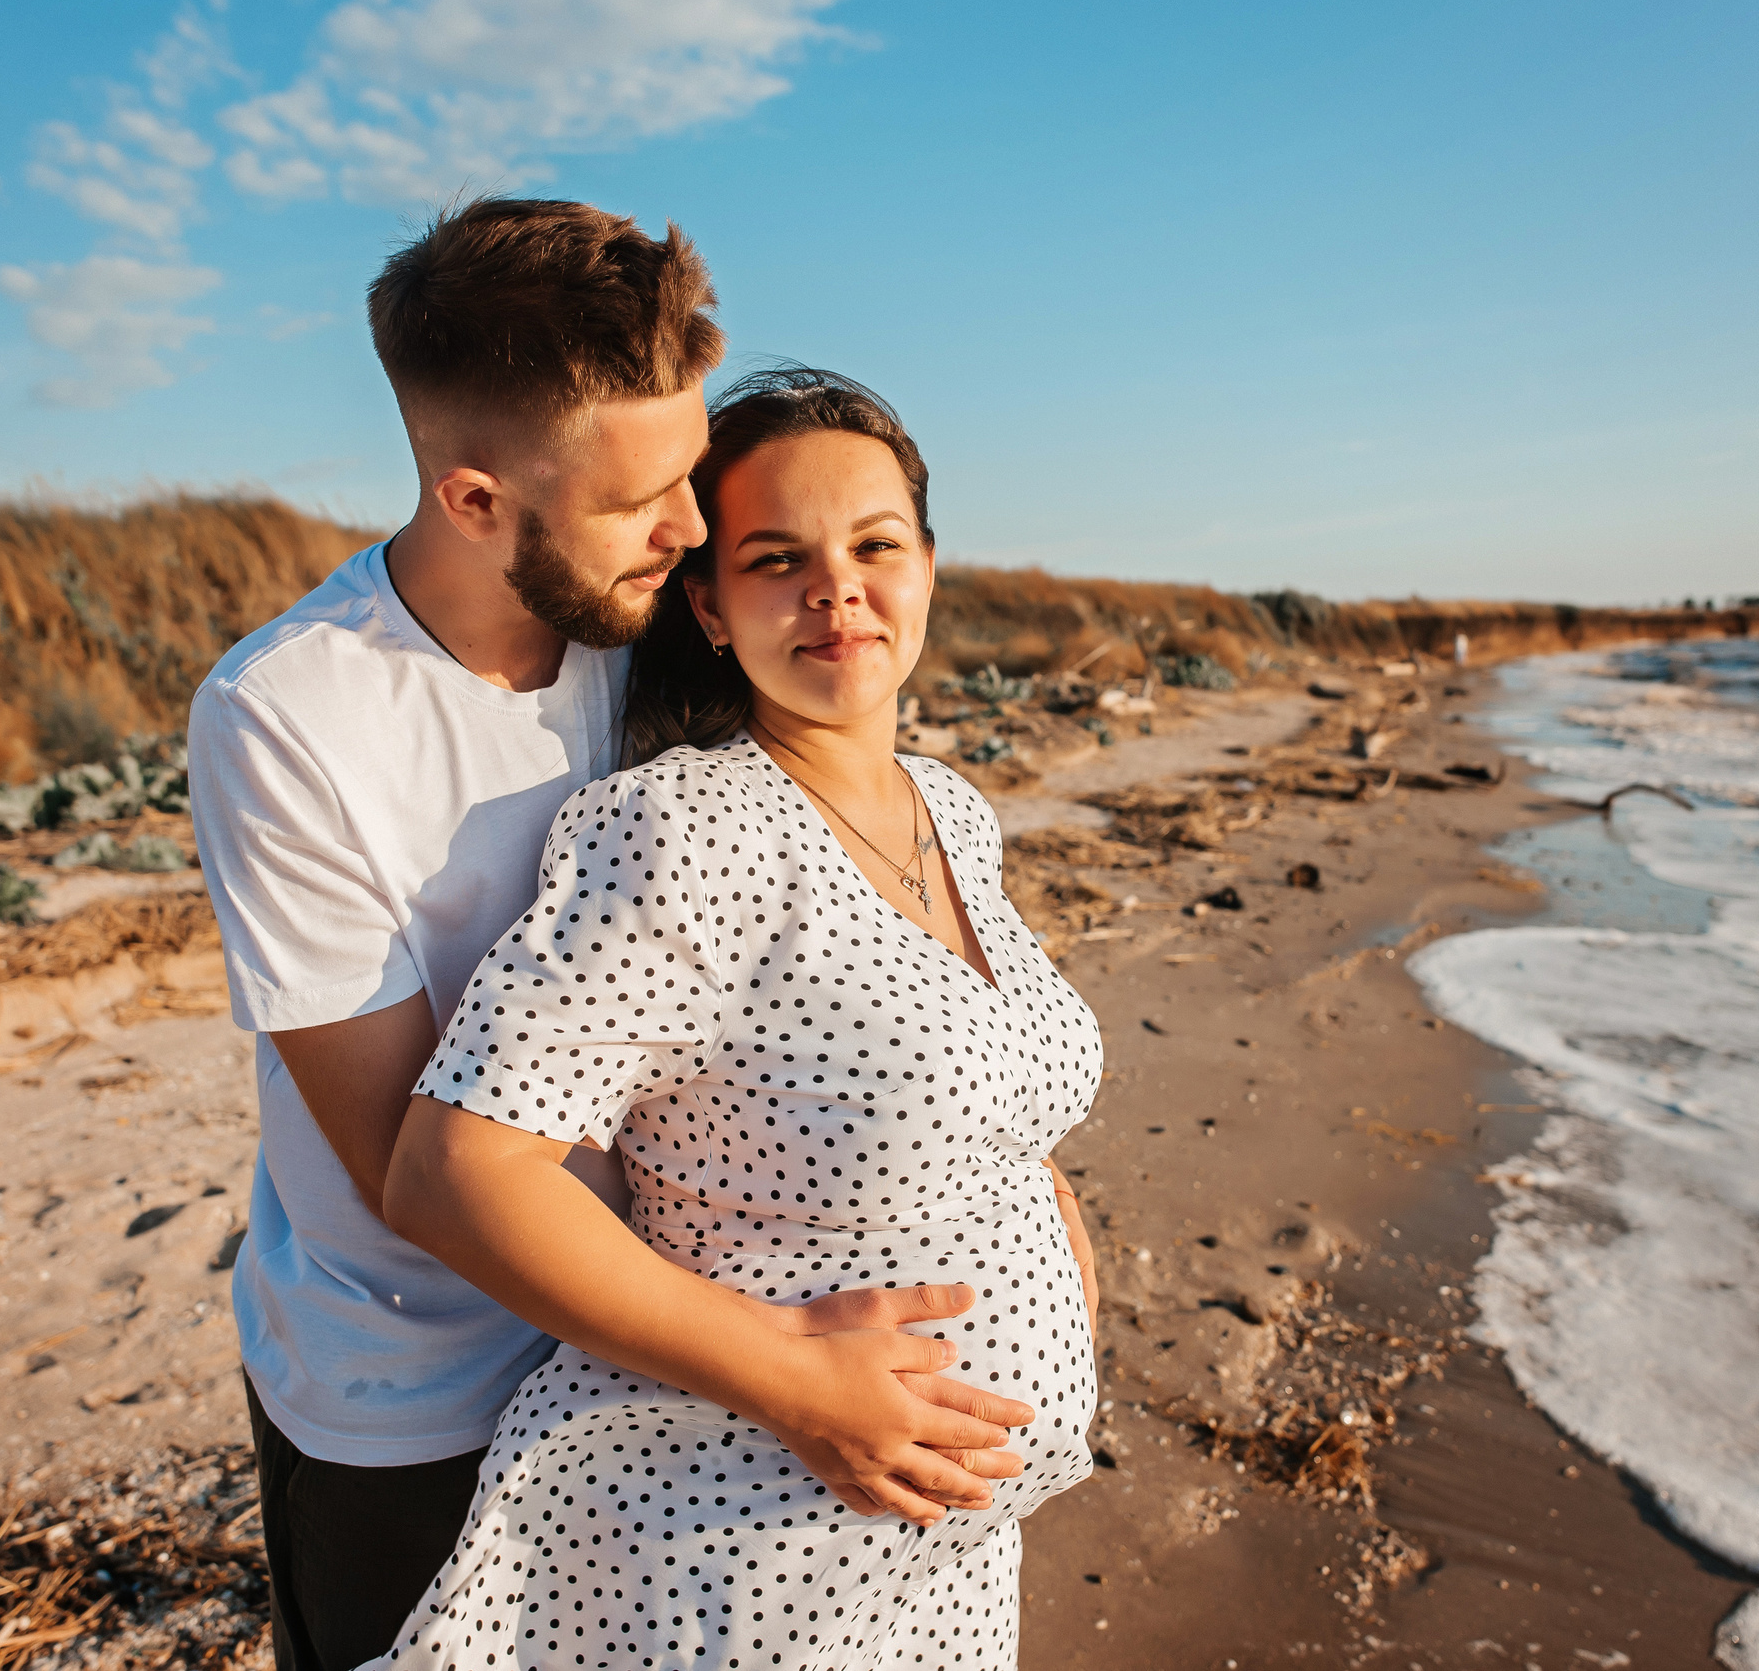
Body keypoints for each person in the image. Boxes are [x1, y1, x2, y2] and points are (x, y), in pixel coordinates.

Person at [189, 207, 1035, 1671]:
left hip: (684, 1376)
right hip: (422, 1388)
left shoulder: (644, 612)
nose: (694, 531)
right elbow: (415, 1170)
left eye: (690, 478)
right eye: (645, 497)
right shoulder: (289, 718)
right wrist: (783, 1372)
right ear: (472, 500)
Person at [364, 369, 1105, 1670]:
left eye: (876, 545)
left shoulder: (953, 811)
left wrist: (1070, 1283)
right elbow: (452, 1174)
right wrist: (798, 1384)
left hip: (951, 1553)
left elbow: (995, 1101)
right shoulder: (688, 832)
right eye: (778, 559)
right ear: (707, 603)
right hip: (752, 1561)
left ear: (928, 565)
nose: (838, 591)